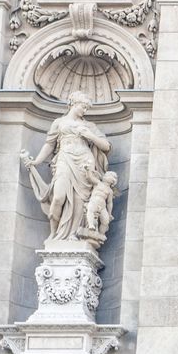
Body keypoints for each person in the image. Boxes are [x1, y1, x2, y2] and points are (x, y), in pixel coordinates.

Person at [21, 94, 113, 246]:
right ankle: (55, 233)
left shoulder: (89, 126)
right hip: (64, 159)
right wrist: (36, 161)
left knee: (78, 201)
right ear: (73, 103)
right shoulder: (59, 122)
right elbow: (49, 144)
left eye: (86, 108)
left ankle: (73, 234)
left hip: (84, 163)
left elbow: (106, 146)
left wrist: (90, 136)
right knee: (58, 197)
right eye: (83, 106)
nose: (85, 110)